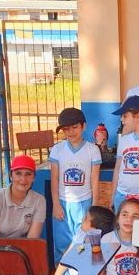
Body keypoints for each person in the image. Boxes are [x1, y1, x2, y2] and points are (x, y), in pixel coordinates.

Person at [50, 108, 102, 259]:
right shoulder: (57, 150)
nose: (71, 132)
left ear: (83, 126)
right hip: (63, 203)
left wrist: (94, 206)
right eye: (66, 129)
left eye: (75, 127)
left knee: (84, 243)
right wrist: (56, 204)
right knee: (62, 244)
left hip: (84, 203)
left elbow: (94, 179)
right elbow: (55, 178)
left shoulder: (92, 150)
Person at [40, 205, 115, 275]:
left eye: (85, 218)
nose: (81, 220)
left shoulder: (102, 250)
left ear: (95, 229)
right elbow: (69, 256)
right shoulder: (82, 232)